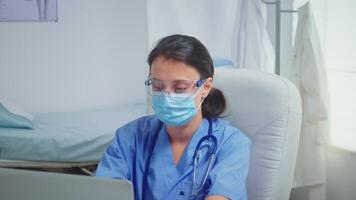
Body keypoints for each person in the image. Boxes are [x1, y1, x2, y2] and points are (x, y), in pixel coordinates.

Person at [96, 34, 251, 200]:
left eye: (179, 88)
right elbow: (105, 192)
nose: (166, 95)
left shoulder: (231, 143)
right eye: (157, 86)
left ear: (205, 87)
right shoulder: (129, 137)